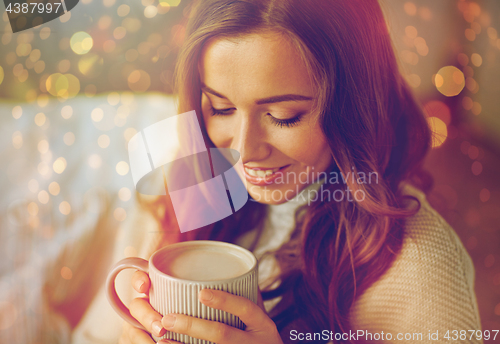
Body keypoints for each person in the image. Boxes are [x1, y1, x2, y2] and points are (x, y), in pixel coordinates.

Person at [98, 0, 482, 343]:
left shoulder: (419, 267)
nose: (243, 150)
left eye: (284, 117)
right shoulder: (196, 176)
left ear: (354, 108)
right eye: (221, 108)